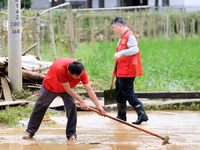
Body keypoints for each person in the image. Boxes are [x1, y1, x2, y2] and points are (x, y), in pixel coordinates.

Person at [22, 58, 105, 141]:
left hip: (67, 90)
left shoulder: (81, 71)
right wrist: (82, 101)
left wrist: (98, 106)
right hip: (50, 87)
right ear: (69, 73)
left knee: (72, 107)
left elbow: (89, 90)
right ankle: (30, 131)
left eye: (80, 75)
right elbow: (67, 89)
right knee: (40, 107)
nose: (80, 77)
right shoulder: (60, 69)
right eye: (77, 77)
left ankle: (71, 134)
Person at [111, 17, 148, 125]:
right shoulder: (121, 36)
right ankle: (121, 116)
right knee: (119, 93)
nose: (113, 30)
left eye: (114, 27)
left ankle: (142, 115)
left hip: (128, 71)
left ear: (120, 26)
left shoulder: (129, 35)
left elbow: (135, 49)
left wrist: (121, 53)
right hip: (121, 70)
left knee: (128, 93)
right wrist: (115, 69)